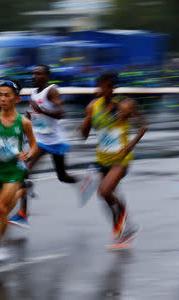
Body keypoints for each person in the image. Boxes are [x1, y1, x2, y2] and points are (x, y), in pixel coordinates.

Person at [80, 71, 146, 247]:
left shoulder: (126, 105)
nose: (105, 89)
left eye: (109, 86)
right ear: (98, 87)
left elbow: (143, 126)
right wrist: (86, 121)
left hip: (120, 159)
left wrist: (130, 145)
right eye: (102, 86)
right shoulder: (92, 107)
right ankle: (127, 227)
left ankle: (123, 228)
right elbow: (83, 136)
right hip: (102, 158)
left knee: (105, 191)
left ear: (113, 88)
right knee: (110, 195)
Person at [9, 65, 77, 228]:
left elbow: (61, 113)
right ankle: (23, 214)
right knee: (22, 171)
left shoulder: (52, 91)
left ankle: (84, 181)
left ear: (47, 76)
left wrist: (41, 109)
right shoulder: (33, 93)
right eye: (32, 73)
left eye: (38, 73)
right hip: (40, 141)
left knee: (62, 176)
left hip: (55, 140)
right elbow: (39, 116)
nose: (34, 76)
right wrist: (31, 116)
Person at [0, 79, 37, 261]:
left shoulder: (24, 122)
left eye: (7, 95)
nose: (3, 99)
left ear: (16, 99)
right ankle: (22, 192)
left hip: (14, 170)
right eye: (0, 95)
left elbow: (34, 146)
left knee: (2, 209)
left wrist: (28, 154)